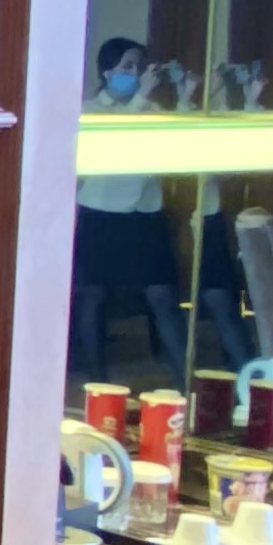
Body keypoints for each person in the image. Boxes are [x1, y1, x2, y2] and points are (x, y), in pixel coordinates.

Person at [70, 35, 190, 390]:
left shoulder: (150, 108)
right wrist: (139, 100)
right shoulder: (90, 109)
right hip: (101, 214)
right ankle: (98, 383)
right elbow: (112, 138)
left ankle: (187, 382)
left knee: (163, 295)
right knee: (93, 296)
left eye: (139, 66)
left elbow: (182, 142)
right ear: (107, 72)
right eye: (127, 66)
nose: (135, 73)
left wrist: (184, 95)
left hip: (145, 214)